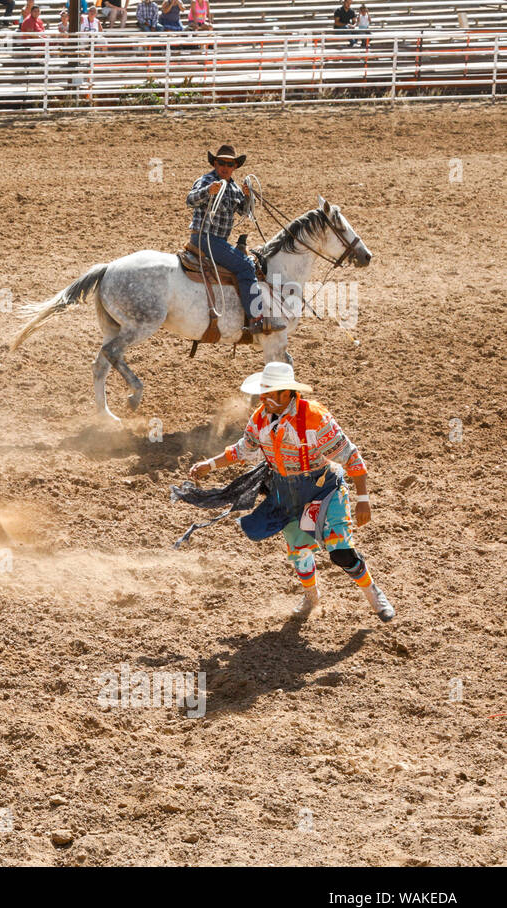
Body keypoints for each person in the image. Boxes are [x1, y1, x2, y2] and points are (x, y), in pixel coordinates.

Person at [186, 362, 394, 622]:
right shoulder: (261, 418)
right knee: (299, 551)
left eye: (270, 394)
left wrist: (363, 500)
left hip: (323, 490)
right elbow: (244, 448)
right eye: (263, 393)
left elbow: (350, 456)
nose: (263, 399)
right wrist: (211, 463)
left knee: (340, 550)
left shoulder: (315, 419)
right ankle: (311, 598)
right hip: (286, 493)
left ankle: (374, 597)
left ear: (287, 393)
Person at [186, 144, 283, 336]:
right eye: (221, 163)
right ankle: (257, 318)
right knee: (246, 266)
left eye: (229, 164)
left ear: (235, 167)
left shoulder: (234, 188)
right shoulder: (207, 180)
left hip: (217, 241)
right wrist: (208, 191)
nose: (225, 167)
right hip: (205, 238)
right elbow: (190, 199)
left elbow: (244, 212)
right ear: (215, 163)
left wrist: (247, 198)